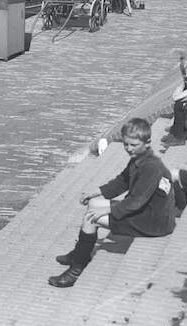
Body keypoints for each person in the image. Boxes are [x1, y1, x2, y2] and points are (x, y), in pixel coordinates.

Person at [48, 118, 175, 288]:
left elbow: (137, 201)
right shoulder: (141, 158)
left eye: (133, 144)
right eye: (126, 144)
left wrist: (109, 210)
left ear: (147, 142)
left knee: (91, 218)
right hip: (149, 211)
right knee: (94, 203)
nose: (129, 149)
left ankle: (76, 269)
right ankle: (79, 253)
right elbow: (122, 181)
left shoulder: (151, 167)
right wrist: (97, 192)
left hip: (153, 221)